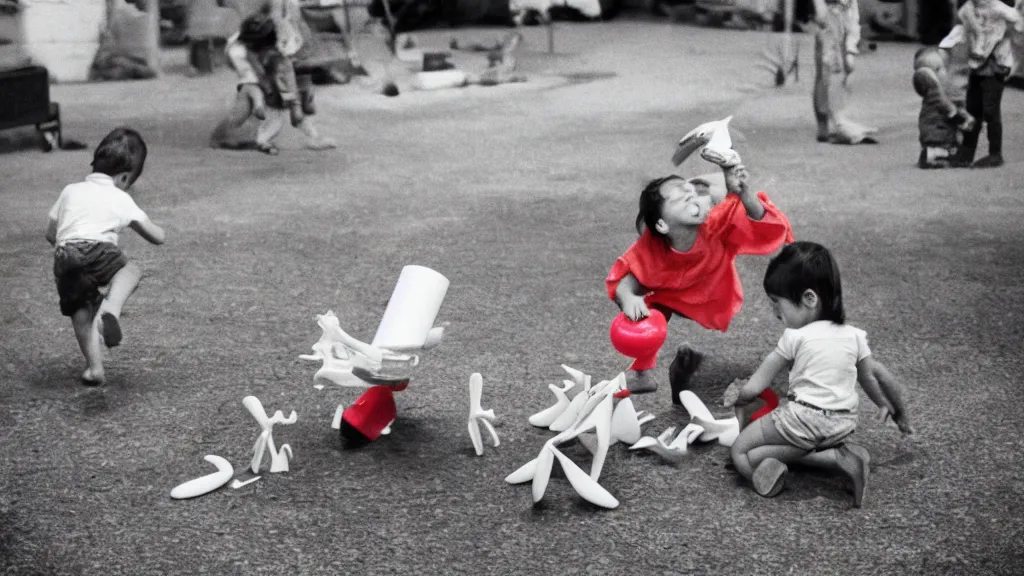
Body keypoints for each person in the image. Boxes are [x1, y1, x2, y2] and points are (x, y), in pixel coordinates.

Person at [725, 242, 912, 508]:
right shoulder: (854, 336)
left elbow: (757, 384)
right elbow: (878, 377)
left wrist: (739, 396)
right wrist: (891, 408)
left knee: (740, 450)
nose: (775, 312)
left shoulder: (794, 336)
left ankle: (761, 482)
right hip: (841, 424)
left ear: (809, 299)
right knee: (772, 450)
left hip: (803, 419)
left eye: (777, 303)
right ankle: (840, 458)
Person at [605, 149, 794, 402]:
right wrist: (629, 299)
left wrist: (742, 191)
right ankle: (642, 374)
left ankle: (801, 344)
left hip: (714, 290)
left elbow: (758, 217)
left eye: (693, 194)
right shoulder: (652, 247)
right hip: (673, 293)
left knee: (791, 268)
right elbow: (625, 281)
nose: (693, 199)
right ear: (662, 225)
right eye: (682, 200)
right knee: (648, 307)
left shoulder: (715, 224)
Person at [45, 128, 166, 385]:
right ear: (124, 177)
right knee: (131, 270)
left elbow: (50, 233)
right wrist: (160, 231)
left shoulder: (70, 190)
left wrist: (69, 246)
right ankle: (111, 308)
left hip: (66, 255)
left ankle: (94, 368)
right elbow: (156, 236)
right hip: (99, 249)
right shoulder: (120, 197)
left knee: (81, 312)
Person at [952, 0, 1023, 168]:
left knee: (991, 111)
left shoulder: (998, 8)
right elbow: (965, 32)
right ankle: (966, 153)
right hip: (977, 65)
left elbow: (1018, 26)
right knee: (972, 108)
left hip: (995, 66)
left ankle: (995, 154)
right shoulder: (968, 9)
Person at [810, 0, 878, 144]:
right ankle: (824, 125)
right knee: (824, 73)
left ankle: (838, 119)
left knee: (842, 73)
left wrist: (850, 50)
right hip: (827, 26)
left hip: (842, 28)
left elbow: (853, 21)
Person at [913, 46, 976, 168]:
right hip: (937, 132)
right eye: (941, 69)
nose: (945, 72)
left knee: (952, 143)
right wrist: (962, 118)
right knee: (953, 149)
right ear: (932, 74)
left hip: (932, 132)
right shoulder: (936, 94)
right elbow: (949, 109)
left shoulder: (934, 92)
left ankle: (934, 152)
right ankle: (934, 153)